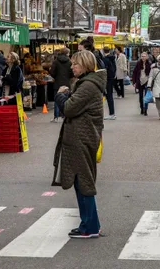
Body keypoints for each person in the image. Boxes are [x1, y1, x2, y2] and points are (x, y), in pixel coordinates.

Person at [51, 50, 105, 239]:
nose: (72, 67)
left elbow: (69, 109)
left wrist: (60, 95)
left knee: (83, 182)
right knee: (80, 180)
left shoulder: (88, 86)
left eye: (75, 64)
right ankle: (89, 224)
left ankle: (89, 226)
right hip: (82, 136)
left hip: (82, 138)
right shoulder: (86, 83)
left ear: (85, 66)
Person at [50, 48, 73, 122]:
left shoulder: (56, 61)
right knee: (66, 100)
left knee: (57, 100)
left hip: (57, 83)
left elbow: (52, 72)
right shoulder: (69, 62)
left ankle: (56, 117)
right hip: (66, 83)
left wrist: (56, 77)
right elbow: (72, 73)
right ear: (67, 53)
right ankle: (64, 116)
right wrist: (68, 77)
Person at [132, 51, 152, 116]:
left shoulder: (149, 63)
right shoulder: (138, 63)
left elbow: (151, 74)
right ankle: (141, 108)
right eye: (142, 56)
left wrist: (151, 82)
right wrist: (134, 82)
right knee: (140, 96)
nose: (143, 58)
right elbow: (134, 72)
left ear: (147, 57)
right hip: (140, 81)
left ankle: (145, 110)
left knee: (146, 97)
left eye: (144, 56)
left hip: (147, 81)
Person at [102, 47, 117, 121]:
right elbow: (114, 68)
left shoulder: (105, 60)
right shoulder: (112, 58)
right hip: (111, 78)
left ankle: (111, 114)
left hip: (107, 79)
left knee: (108, 96)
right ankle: (112, 113)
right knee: (109, 96)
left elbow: (104, 70)